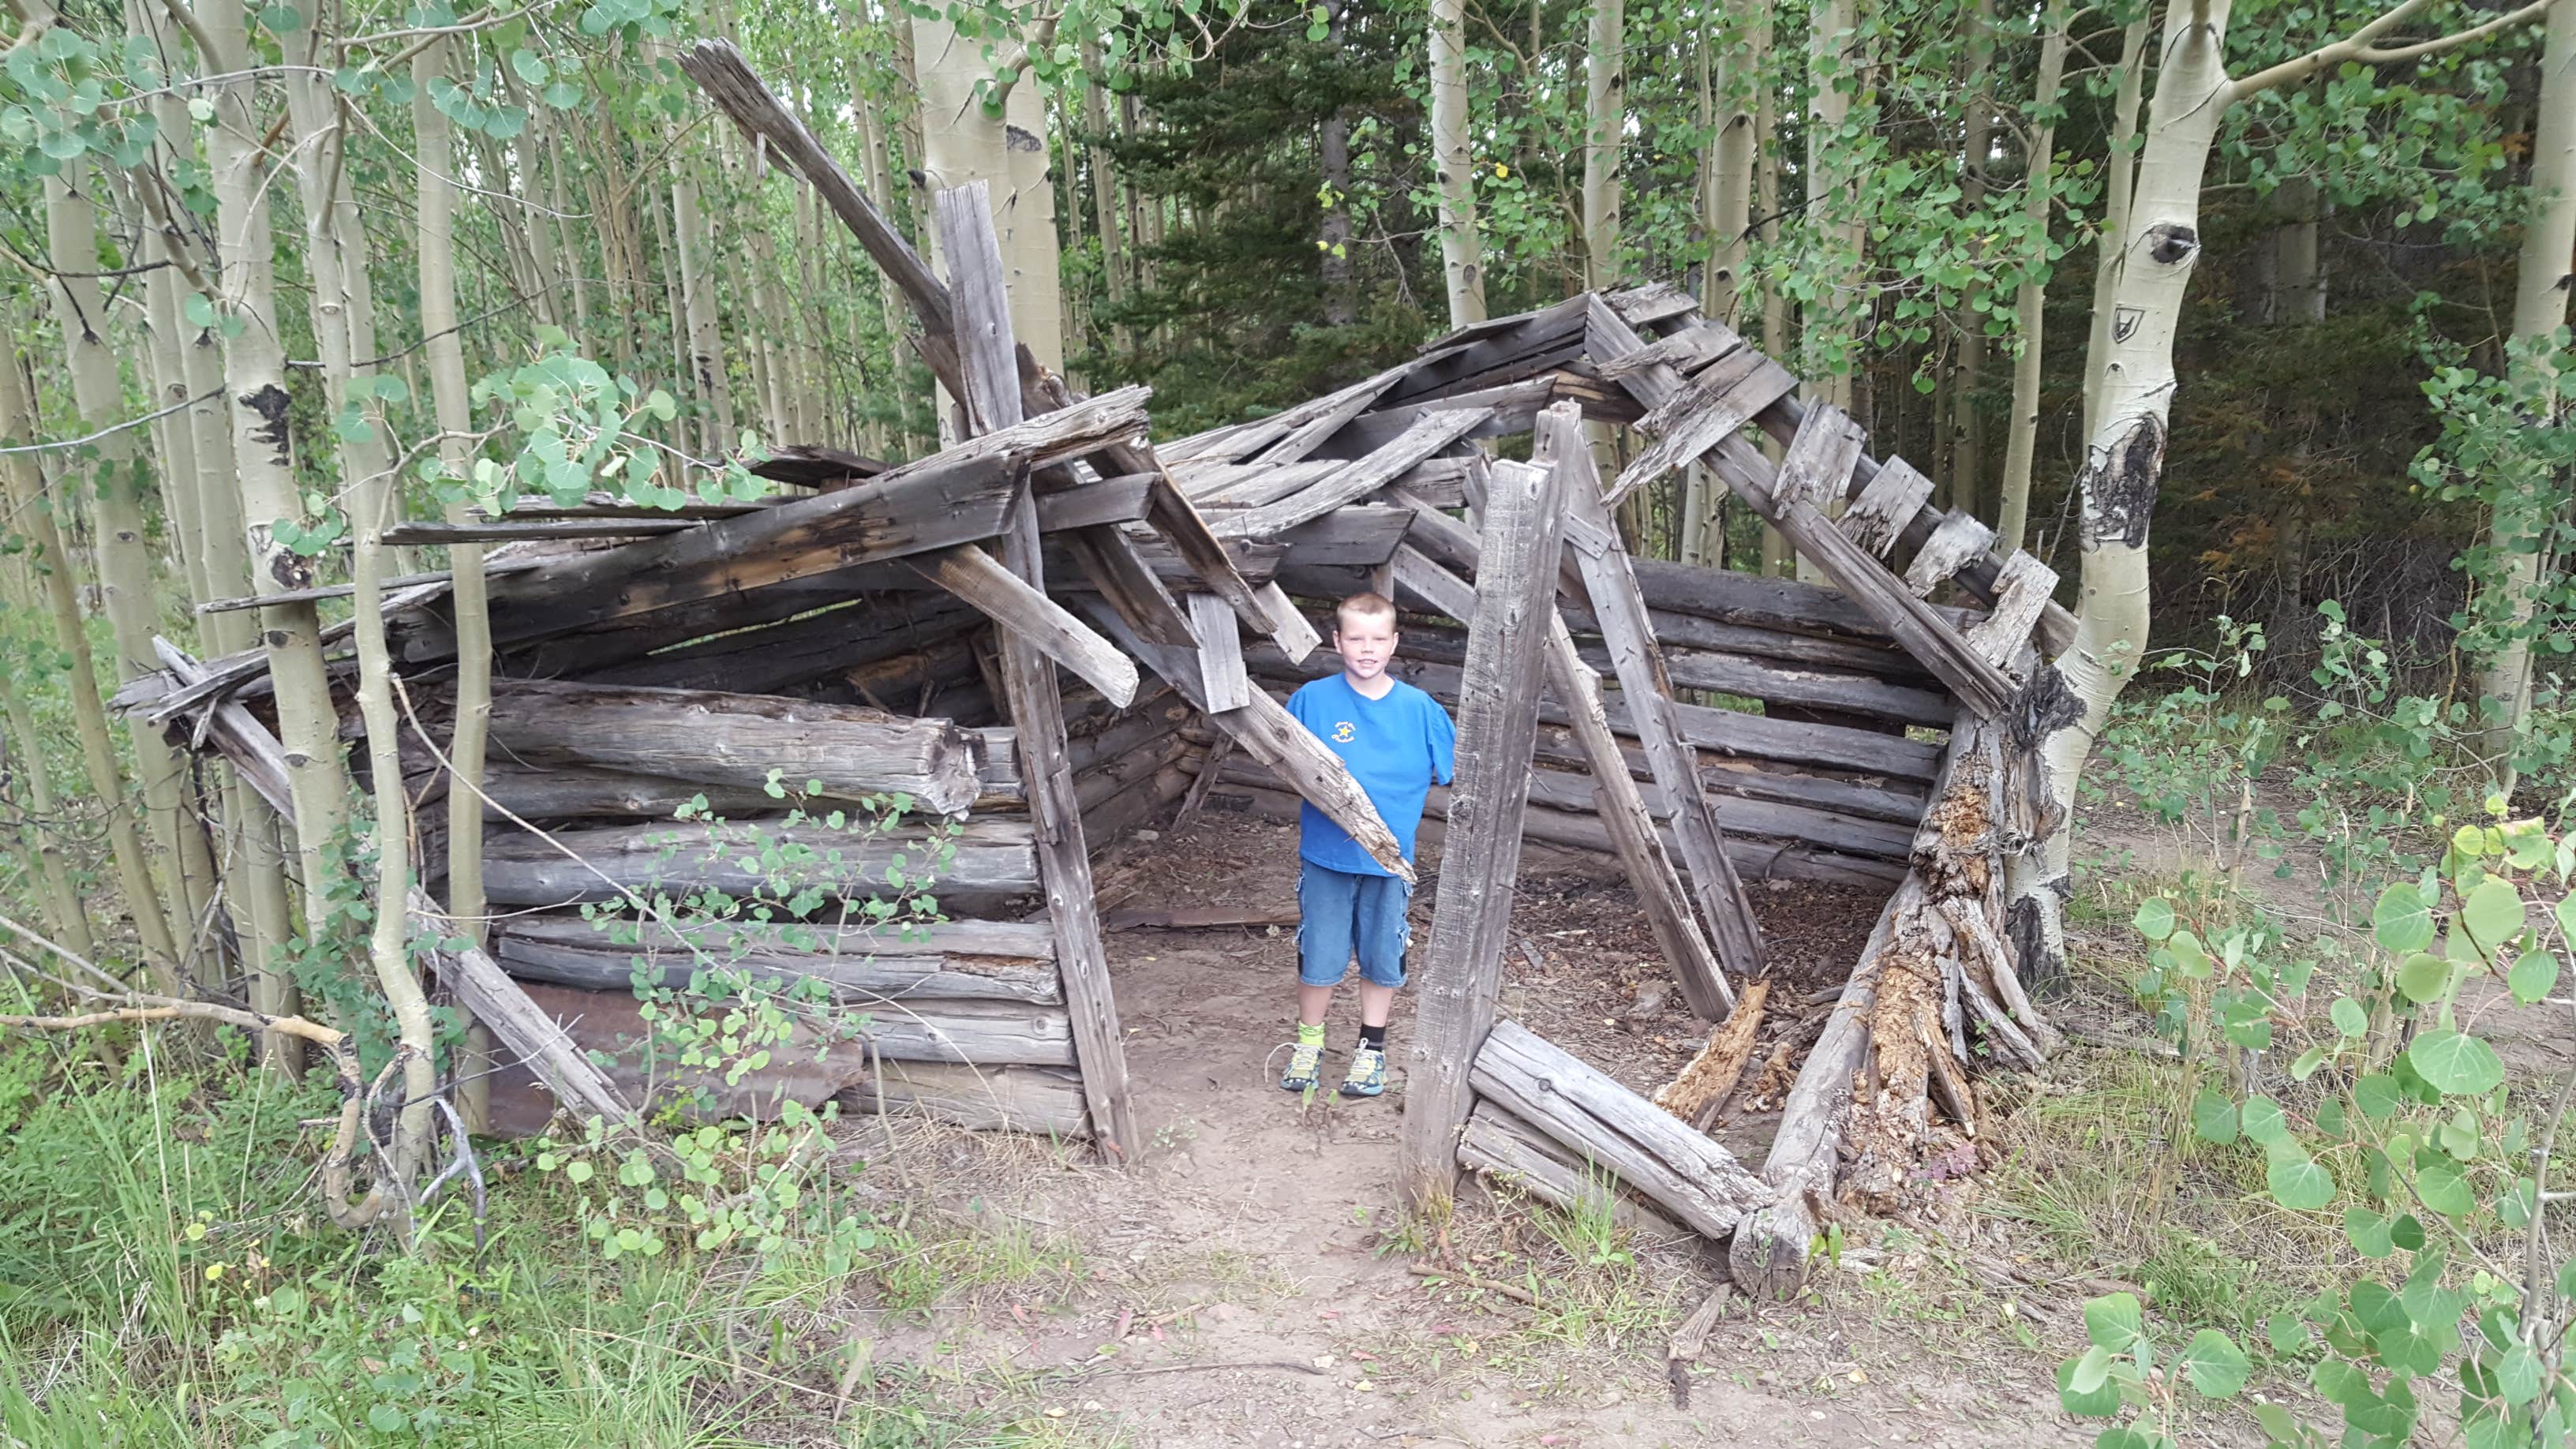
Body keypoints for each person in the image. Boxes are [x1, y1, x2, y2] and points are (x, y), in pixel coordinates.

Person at [1279, 592, 1456, 1099]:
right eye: (1355, 638)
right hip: (1327, 855)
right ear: (1337, 642)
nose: (1367, 649)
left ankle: (1370, 1051)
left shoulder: (1420, 710)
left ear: (1395, 643)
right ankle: (1309, 1044)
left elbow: (1452, 773)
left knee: (1383, 956)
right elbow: (1288, 764)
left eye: (1379, 639)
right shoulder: (1312, 700)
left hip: (1389, 860)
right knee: (1319, 953)